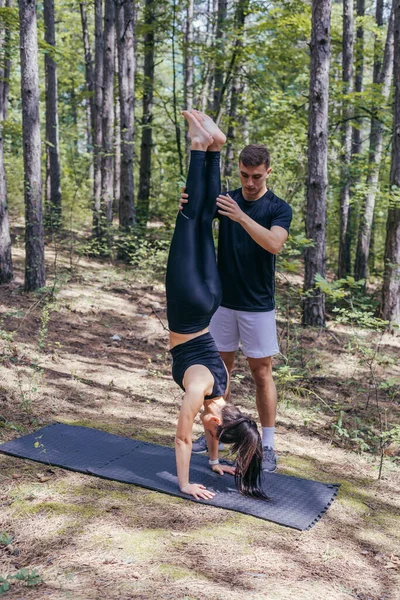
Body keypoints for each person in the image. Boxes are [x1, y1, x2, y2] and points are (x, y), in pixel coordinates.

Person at [180, 112, 292, 473]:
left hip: (258, 305)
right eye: (244, 175)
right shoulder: (227, 197)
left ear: (268, 172)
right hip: (222, 302)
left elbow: (274, 244)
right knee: (219, 373)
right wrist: (187, 200)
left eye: (256, 176)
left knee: (261, 373)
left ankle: (269, 445)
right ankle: (214, 434)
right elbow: (197, 211)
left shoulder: (277, 208)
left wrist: (241, 216)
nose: (249, 182)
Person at [167, 110, 265, 501]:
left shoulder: (222, 388)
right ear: (219, 418)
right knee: (190, 217)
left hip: (210, 298)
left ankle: (214, 148)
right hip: (190, 301)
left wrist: (213, 464)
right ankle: (198, 145)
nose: (207, 430)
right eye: (214, 433)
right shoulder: (201, 388)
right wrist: (185, 483)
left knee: (201, 218)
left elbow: (209, 424)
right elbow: (182, 435)